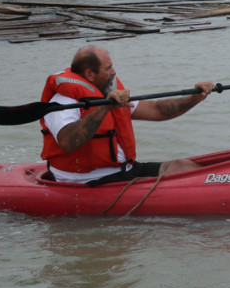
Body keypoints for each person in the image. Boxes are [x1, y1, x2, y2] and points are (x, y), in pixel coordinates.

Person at [39, 45, 214, 184]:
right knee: (179, 183)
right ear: (90, 73)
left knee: (185, 167)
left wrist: (195, 98)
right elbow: (68, 142)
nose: (114, 72)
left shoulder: (106, 91)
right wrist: (105, 109)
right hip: (86, 181)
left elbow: (157, 111)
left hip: (124, 170)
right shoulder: (63, 101)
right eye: (108, 68)